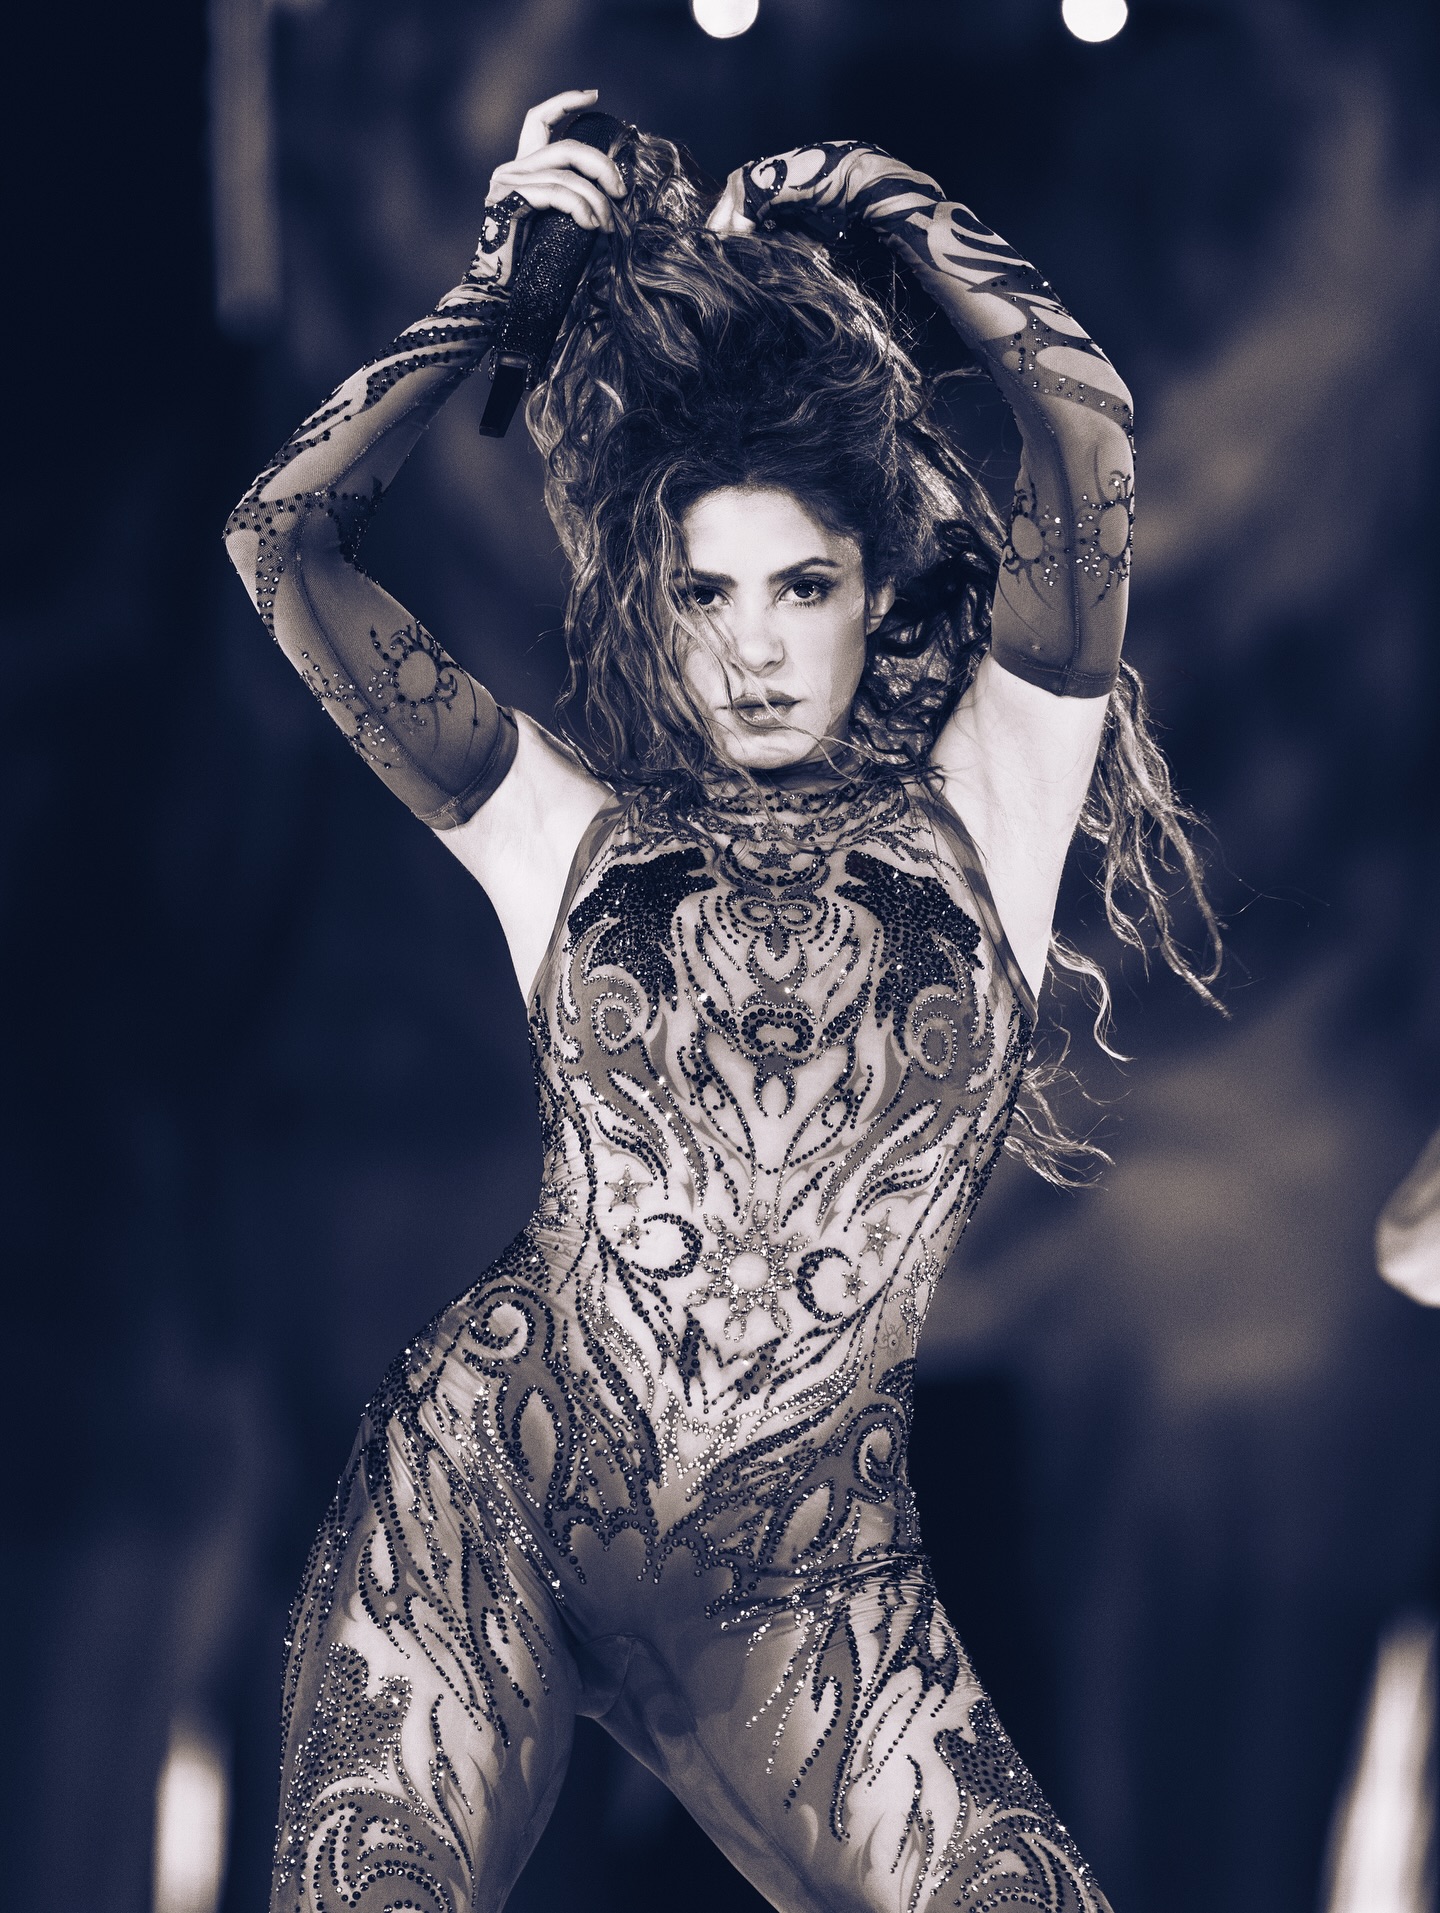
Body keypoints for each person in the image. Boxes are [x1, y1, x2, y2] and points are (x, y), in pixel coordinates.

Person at [227, 87, 1215, 1913]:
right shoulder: (554, 828)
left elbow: (1083, 424)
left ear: (874, 589)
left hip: (809, 1583)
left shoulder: (1000, 795)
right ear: (657, 606)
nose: (752, 644)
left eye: (802, 586)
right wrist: (501, 294)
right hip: (491, 1488)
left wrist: (871, 189)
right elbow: (283, 544)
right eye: (706, 594)